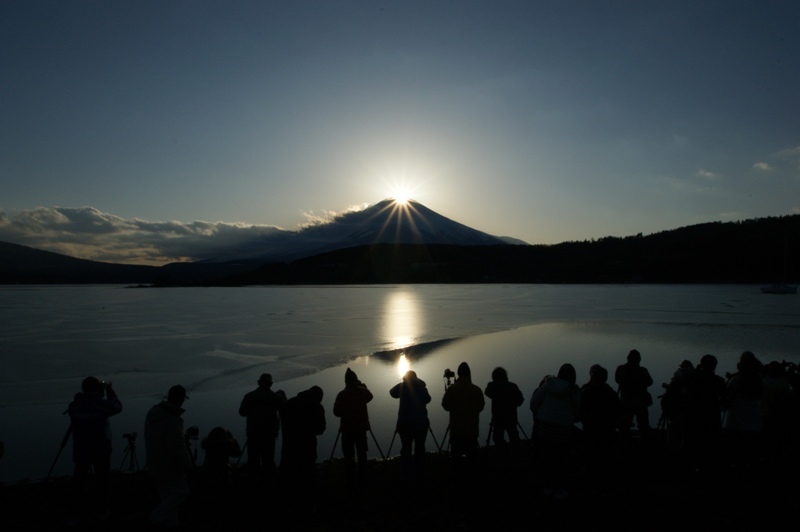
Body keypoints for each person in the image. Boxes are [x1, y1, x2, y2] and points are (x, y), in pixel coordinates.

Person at [67, 376, 123, 519]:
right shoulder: (100, 404)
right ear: (97, 389)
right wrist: (110, 390)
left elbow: (72, 408)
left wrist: (78, 398)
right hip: (101, 449)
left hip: (81, 449)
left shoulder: (76, 405)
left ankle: (74, 513)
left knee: (78, 480)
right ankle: (101, 511)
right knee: (102, 481)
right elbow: (117, 406)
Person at [145, 384, 194, 529]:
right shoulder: (172, 419)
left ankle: (172, 523)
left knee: (166, 496)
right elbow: (177, 446)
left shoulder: (153, 413)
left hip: (154, 461)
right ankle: (155, 517)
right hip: (170, 466)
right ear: (179, 399)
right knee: (181, 492)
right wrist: (187, 464)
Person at [530, 363, 580, 499]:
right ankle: (558, 489)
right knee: (561, 460)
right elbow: (577, 414)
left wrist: (542, 414)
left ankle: (547, 487)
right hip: (563, 433)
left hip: (545, 430)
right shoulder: (574, 391)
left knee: (547, 458)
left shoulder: (547, 385)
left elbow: (533, 404)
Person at [579, 365, 621, 487]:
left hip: (590, 430)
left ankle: (590, 478)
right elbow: (618, 410)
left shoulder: (585, 391)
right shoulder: (611, 393)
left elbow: (579, 410)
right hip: (607, 431)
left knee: (590, 456)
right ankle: (604, 479)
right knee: (605, 457)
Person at [238, 373, 286, 480]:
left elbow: (242, 412)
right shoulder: (275, 398)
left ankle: (253, 484)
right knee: (268, 461)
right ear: (271, 384)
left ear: (259, 382)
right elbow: (284, 410)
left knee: (253, 460)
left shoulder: (249, 396)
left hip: (253, 434)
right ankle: (267, 485)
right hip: (269, 435)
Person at [279, 386, 326, 494]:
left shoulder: (289, 403)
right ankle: (307, 499)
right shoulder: (317, 406)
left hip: (288, 447)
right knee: (307, 476)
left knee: (288, 475)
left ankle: (285, 497)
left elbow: (283, 423)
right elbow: (321, 429)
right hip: (307, 448)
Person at [333, 368, 373, 486]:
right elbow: (370, 397)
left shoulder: (342, 394)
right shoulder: (362, 392)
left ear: (346, 381)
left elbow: (336, 412)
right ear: (356, 380)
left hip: (347, 430)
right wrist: (363, 387)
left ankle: (350, 479)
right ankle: (363, 477)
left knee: (348, 455)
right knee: (362, 454)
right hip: (361, 429)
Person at [390, 370, 432, 479]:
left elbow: (392, 392)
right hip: (420, 423)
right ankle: (420, 472)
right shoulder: (422, 389)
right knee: (420, 447)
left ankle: (406, 472)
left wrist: (403, 383)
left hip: (404, 424)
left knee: (406, 447)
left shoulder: (402, 387)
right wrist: (421, 384)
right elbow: (428, 399)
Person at [441, 362, 485, 461]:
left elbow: (445, 406)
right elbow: (481, 407)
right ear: (469, 374)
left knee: (456, 458)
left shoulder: (452, 390)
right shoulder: (477, 390)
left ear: (458, 374)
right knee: (472, 458)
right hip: (472, 431)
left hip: (456, 431)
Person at [615, 349, 654, 435]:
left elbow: (617, 380)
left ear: (628, 358)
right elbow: (650, 382)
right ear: (638, 360)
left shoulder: (621, 369)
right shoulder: (643, 371)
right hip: (640, 402)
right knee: (643, 425)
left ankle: (624, 443)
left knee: (625, 425)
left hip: (626, 401)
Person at [484, 367, 524, 445]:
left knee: (498, 439)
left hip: (497, 417)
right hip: (511, 417)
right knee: (514, 437)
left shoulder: (492, 386)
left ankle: (501, 454)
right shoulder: (513, 386)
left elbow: (487, 392)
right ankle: (516, 454)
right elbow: (520, 401)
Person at [200, 426, 242, 493]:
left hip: (207, 477)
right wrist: (232, 439)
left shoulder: (209, 446)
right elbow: (238, 453)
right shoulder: (224, 446)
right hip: (223, 478)